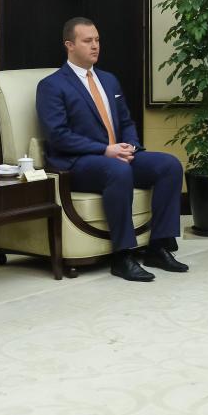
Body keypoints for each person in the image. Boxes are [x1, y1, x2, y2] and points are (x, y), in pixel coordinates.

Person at [36, 17, 185, 282]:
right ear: (69, 45)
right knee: (117, 170)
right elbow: (59, 136)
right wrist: (105, 150)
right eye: (87, 41)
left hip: (116, 156)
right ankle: (122, 255)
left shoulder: (109, 80)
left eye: (97, 40)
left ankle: (158, 246)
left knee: (169, 165)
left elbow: (126, 121)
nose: (95, 46)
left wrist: (131, 146)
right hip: (78, 163)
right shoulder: (51, 85)